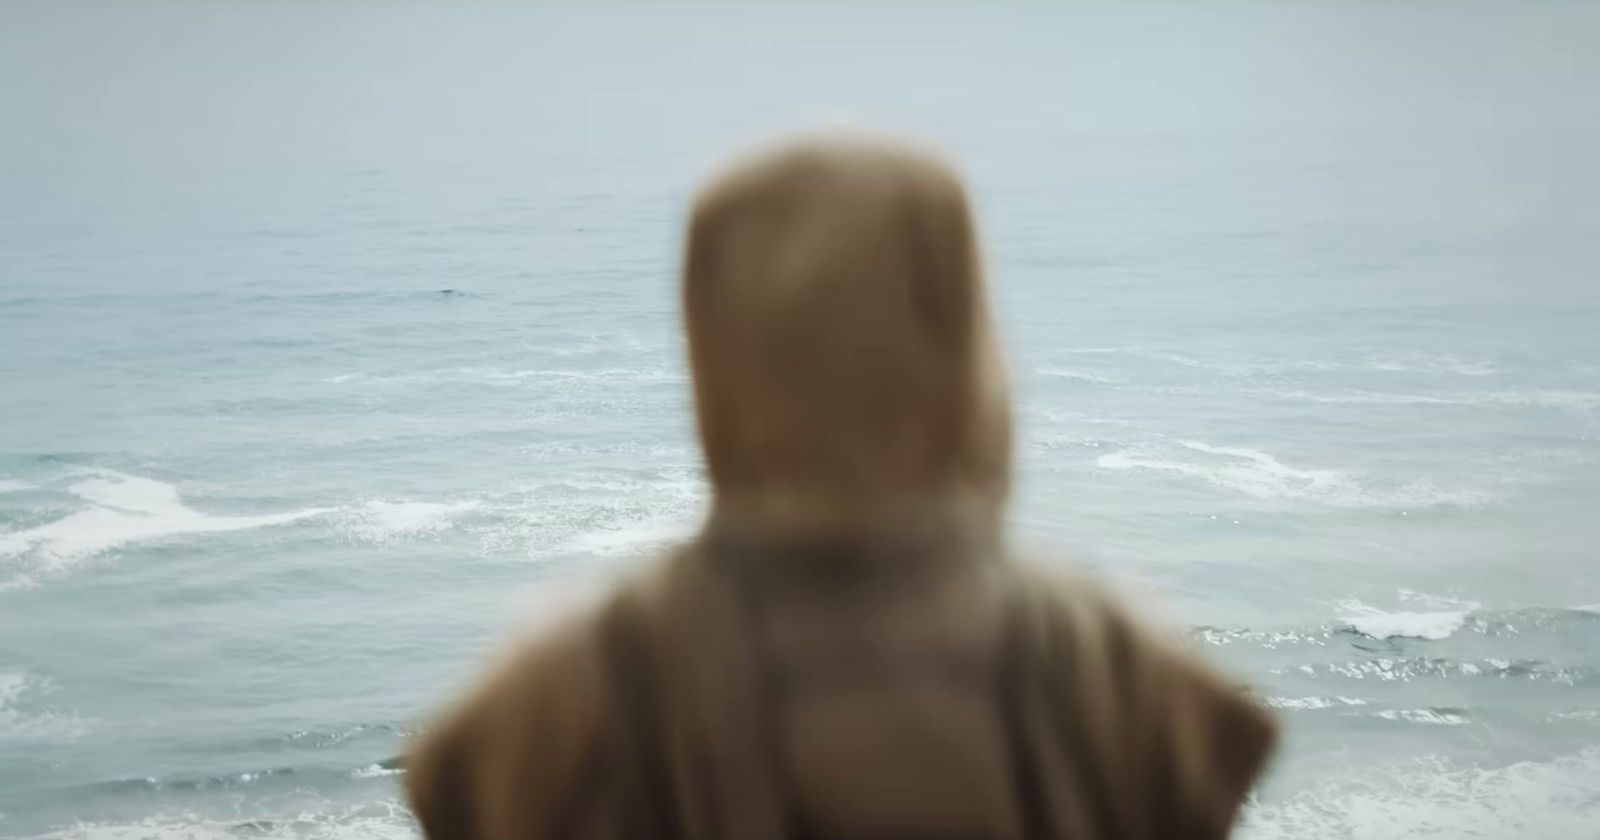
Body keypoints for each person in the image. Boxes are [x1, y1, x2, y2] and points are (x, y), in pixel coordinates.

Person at [405, 135, 1277, 840]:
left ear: (718, 345)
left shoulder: (572, 690)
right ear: (963, 339)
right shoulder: (1113, 672)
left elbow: (451, 785)